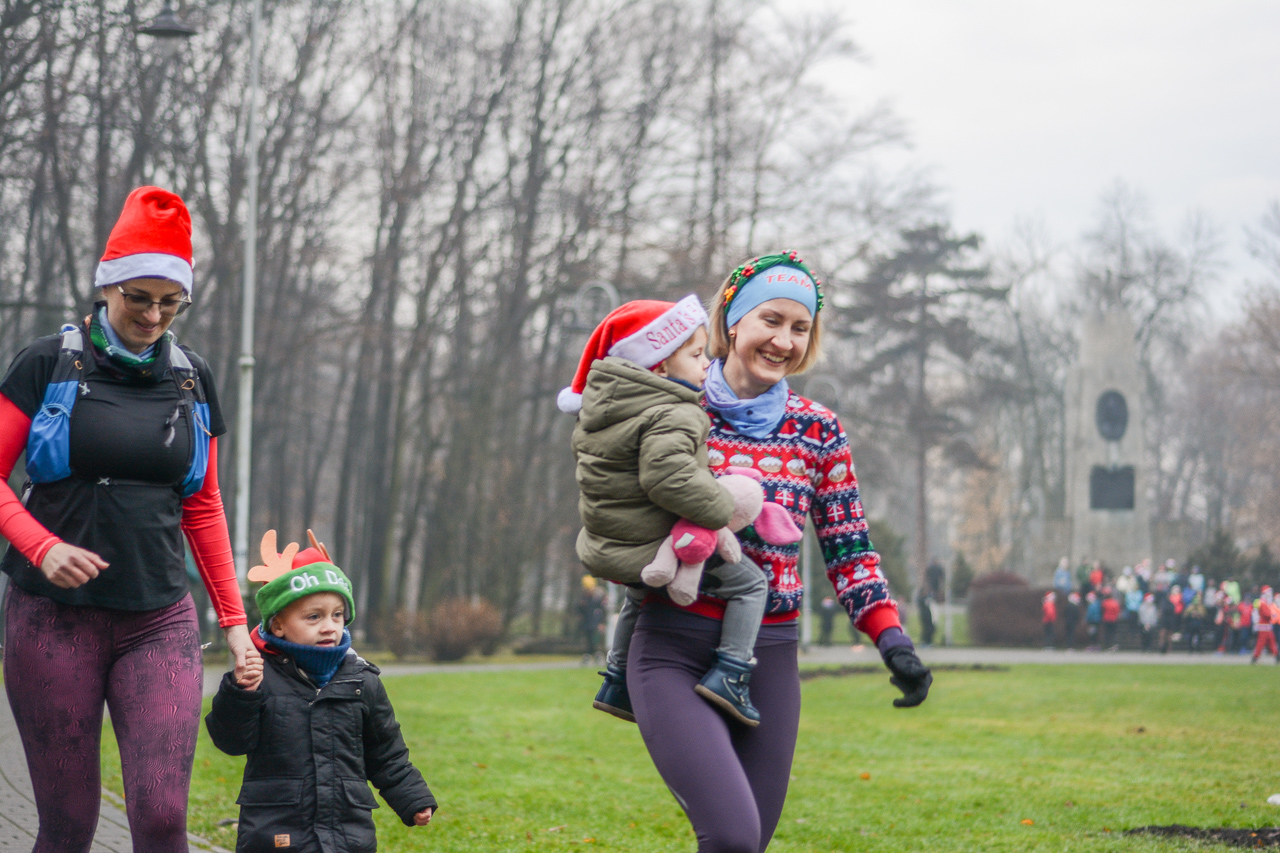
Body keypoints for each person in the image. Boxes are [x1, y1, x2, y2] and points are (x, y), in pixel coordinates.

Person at [621, 252, 932, 852]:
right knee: (734, 838)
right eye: (771, 320)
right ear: (733, 320)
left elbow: (850, 551)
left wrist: (893, 640)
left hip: (770, 655)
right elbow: (614, 508)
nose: (784, 340)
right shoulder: (674, 407)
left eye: (800, 328)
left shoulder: (818, 429)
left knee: (749, 844)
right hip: (671, 648)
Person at [0, 187, 258, 852]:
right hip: (52, 616)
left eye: (170, 303)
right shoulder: (47, 363)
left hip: (158, 619)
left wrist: (235, 623)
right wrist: (39, 544)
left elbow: (203, 503)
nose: (153, 314)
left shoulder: (192, 377)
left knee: (162, 814)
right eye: (138, 297)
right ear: (106, 287)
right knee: (67, 824)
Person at [559, 295, 771, 726]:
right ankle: (731, 672)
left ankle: (616, 678)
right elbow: (668, 477)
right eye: (695, 355)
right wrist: (720, 507)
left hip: (614, 543)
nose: (706, 365)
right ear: (658, 365)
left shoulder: (603, 411)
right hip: (654, 542)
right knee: (750, 584)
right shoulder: (673, 411)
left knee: (637, 597)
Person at [206, 534, 436, 851]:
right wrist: (241, 693)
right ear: (278, 625)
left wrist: (413, 799)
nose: (329, 626)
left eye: (337, 615)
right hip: (277, 830)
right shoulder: (260, 676)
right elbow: (231, 741)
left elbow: (386, 753)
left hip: (347, 833)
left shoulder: (361, 680)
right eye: (314, 616)